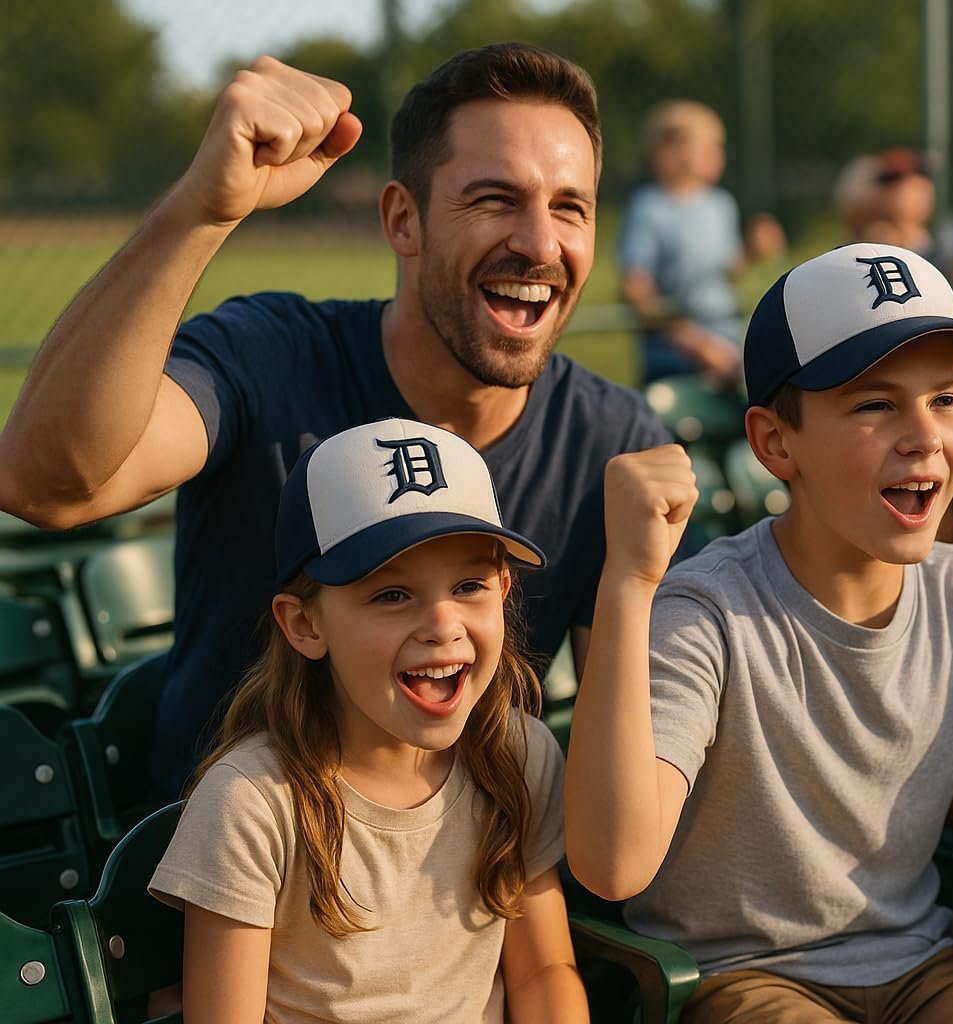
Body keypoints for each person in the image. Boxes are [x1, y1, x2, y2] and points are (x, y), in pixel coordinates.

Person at [0, 44, 673, 800]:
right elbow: (47, 482)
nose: (541, 242)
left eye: (570, 208)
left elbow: (629, 797)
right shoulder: (270, 357)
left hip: (458, 889)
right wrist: (200, 209)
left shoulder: (614, 446)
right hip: (218, 887)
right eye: (494, 200)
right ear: (402, 219)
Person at [564, 243, 953, 1023]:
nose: (924, 436)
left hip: (924, 966)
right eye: (875, 405)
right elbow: (615, 865)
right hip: (742, 977)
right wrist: (628, 583)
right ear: (775, 443)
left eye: (948, 400)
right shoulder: (706, 612)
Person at [149, 418, 586, 1022]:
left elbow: (544, 971)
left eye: (468, 586)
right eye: (391, 595)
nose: (441, 624)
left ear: (505, 590)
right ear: (305, 624)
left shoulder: (518, 753)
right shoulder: (251, 802)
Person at [619, 99, 784, 385]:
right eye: (708, 146)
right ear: (668, 151)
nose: (719, 155)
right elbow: (637, 290)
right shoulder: (648, 208)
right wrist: (697, 345)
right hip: (675, 359)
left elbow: (725, 276)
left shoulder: (721, 204)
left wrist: (751, 251)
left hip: (727, 346)